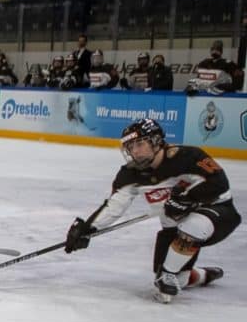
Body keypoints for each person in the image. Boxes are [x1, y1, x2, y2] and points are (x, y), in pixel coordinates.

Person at [64, 118, 240, 304]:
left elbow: (218, 183)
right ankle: (201, 275)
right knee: (172, 281)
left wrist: (186, 198)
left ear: (156, 141)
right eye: (130, 147)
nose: (135, 151)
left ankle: (169, 273)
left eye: (139, 144)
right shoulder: (130, 174)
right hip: (175, 228)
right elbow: (114, 206)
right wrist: (88, 228)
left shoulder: (188, 157)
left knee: (193, 227)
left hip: (219, 212)